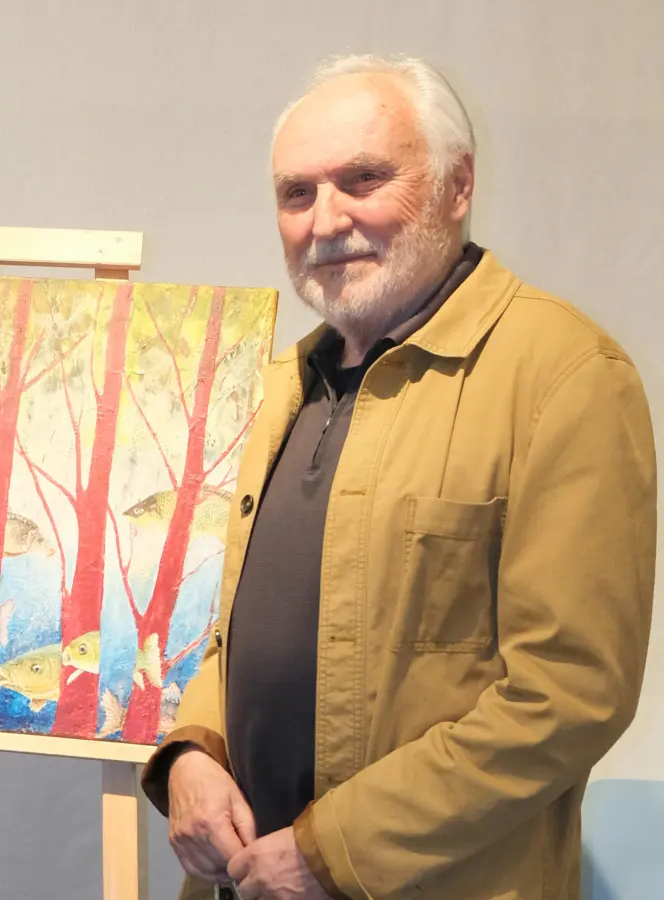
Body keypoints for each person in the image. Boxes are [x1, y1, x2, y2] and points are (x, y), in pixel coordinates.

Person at [141, 54, 657, 900]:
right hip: (244, 885)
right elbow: (241, 637)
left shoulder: (566, 377)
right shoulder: (285, 387)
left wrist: (329, 850)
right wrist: (193, 752)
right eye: (295, 193)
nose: (325, 219)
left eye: (363, 179)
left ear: (459, 185)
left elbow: (568, 696)